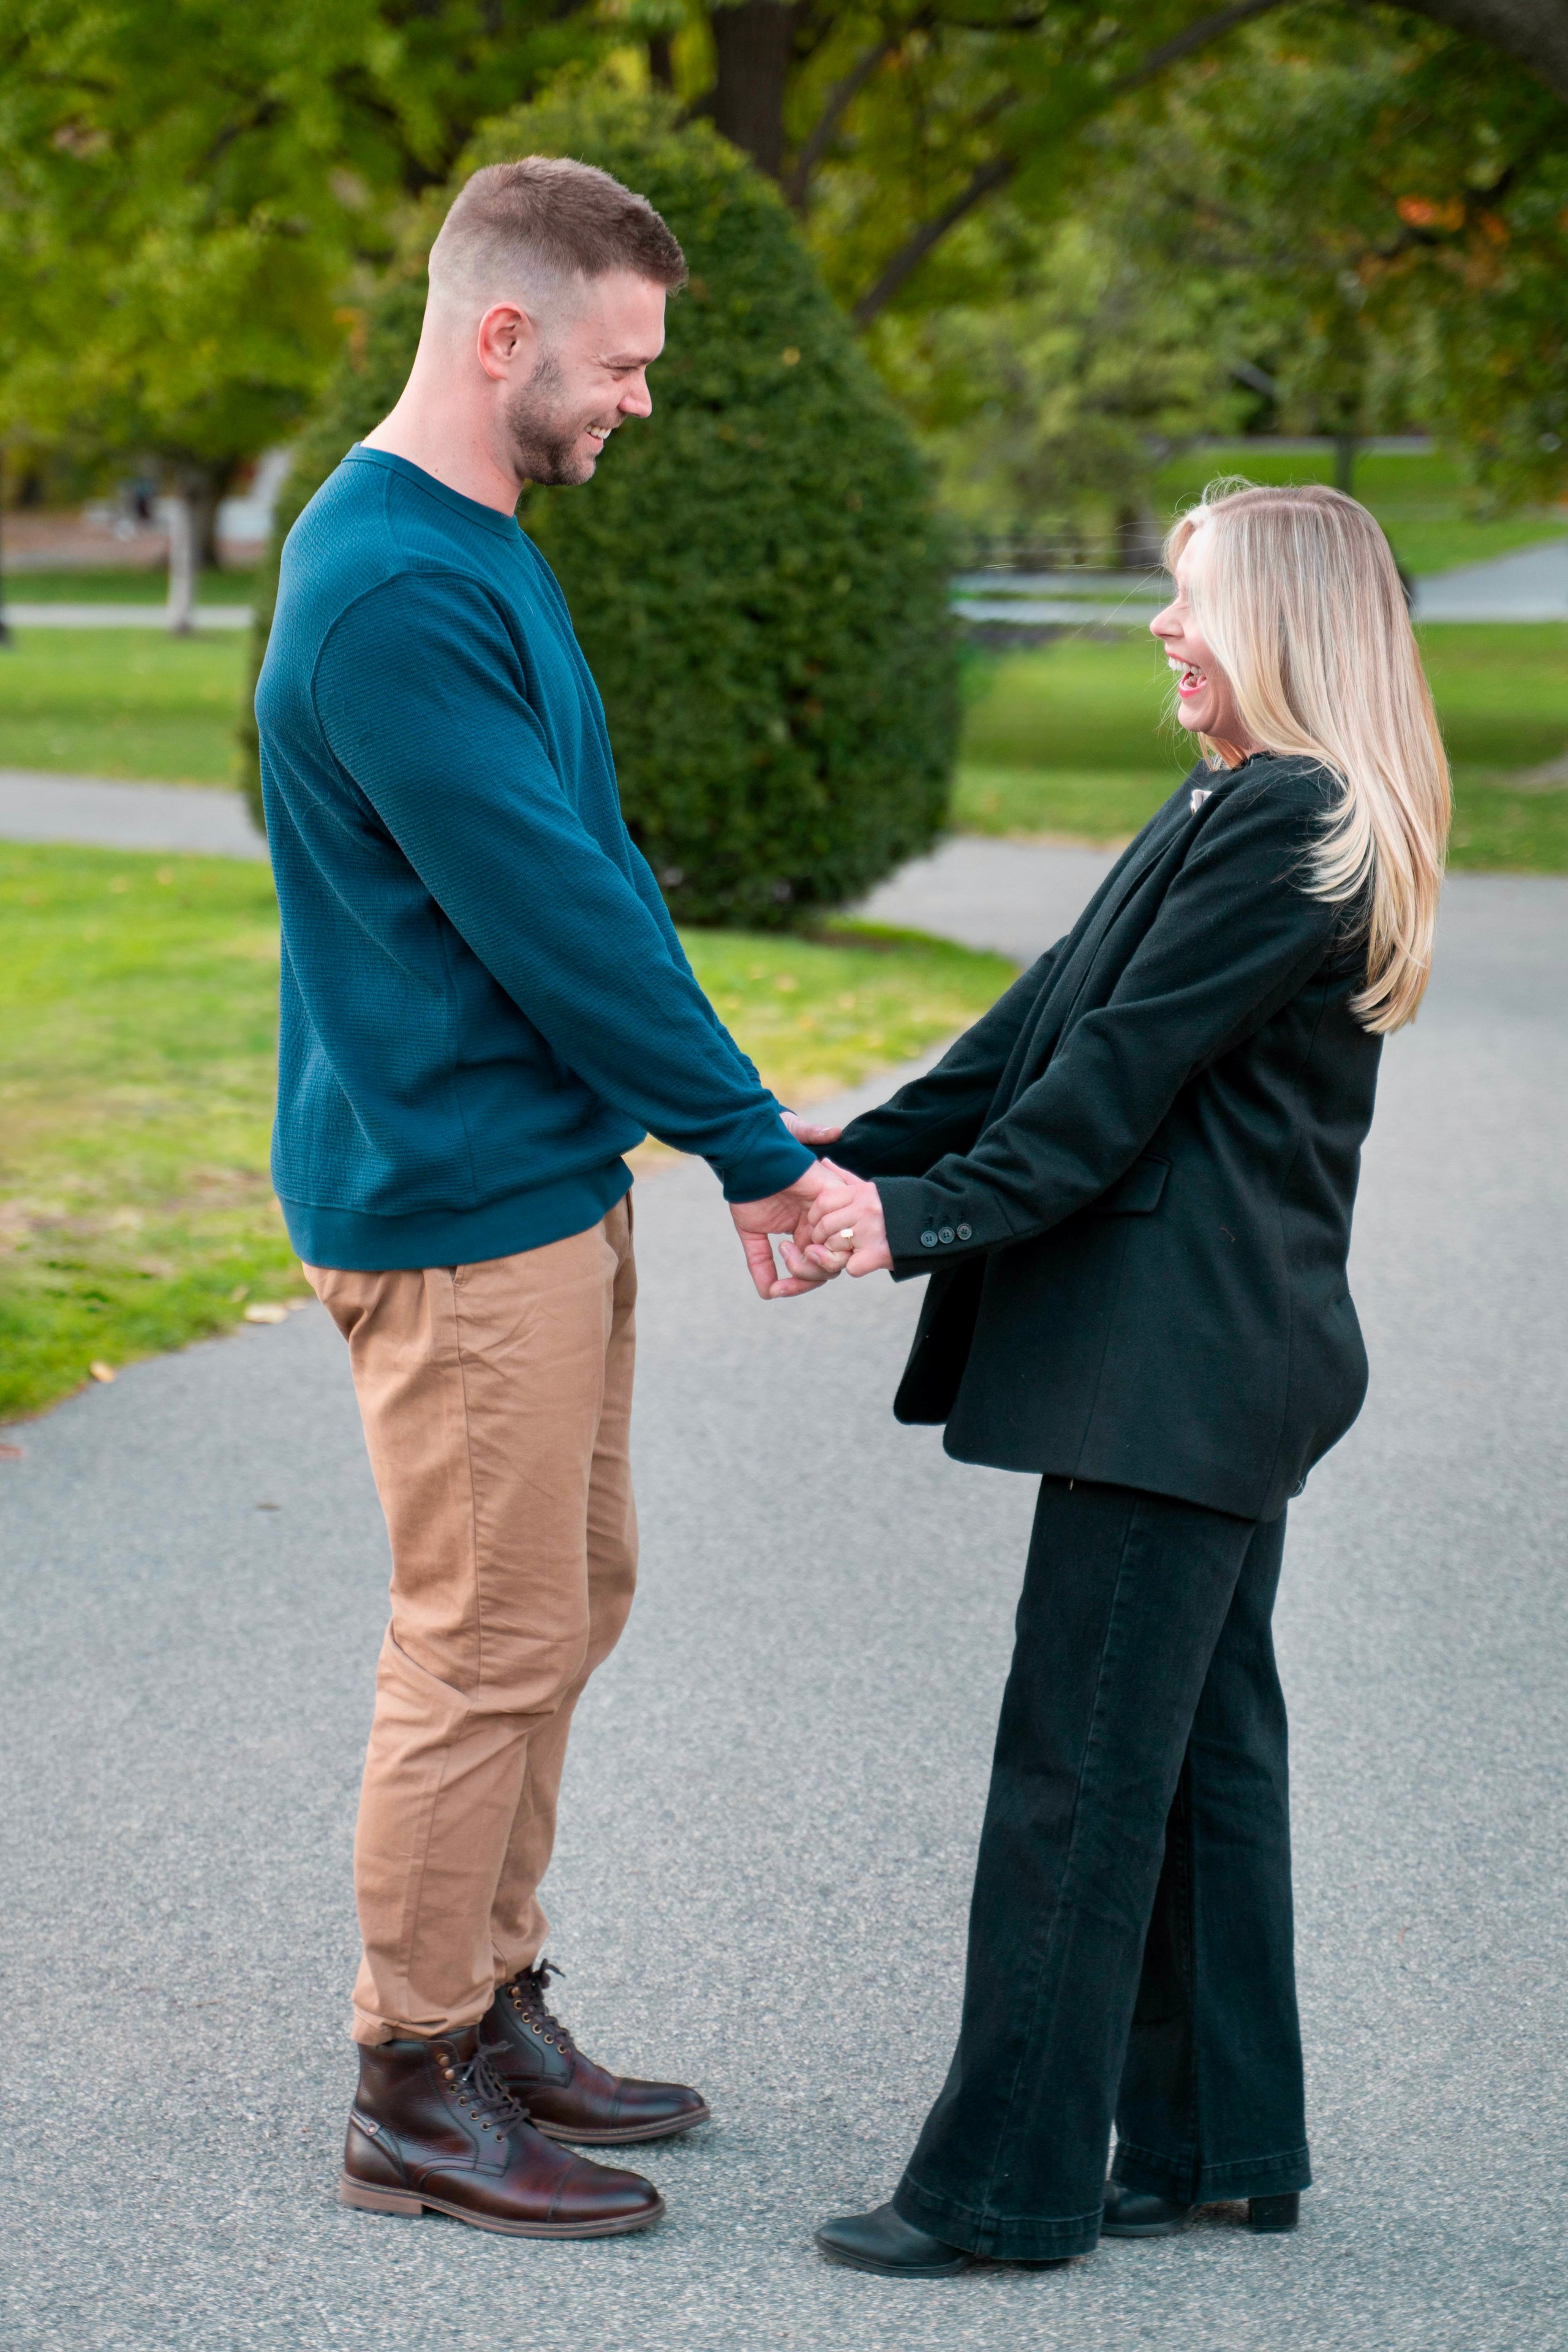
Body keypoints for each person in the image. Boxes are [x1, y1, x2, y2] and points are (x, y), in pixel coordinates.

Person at [771, 482, 1450, 2275]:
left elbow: (1111, 1082)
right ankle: (1224, 2141)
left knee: (1076, 1776)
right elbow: (1049, 1013)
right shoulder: (1244, 800)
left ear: (1288, 627)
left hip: (1182, 1368)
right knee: (1206, 1754)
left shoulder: (1292, 815)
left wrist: (908, 1222)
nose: (1167, 627)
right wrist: (856, 1143)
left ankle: (1005, 2190)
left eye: (1195, 600)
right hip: (1219, 1359)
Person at [254, 154, 829, 2240]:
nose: (641, 401)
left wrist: (712, 1123)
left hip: (541, 1176)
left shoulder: (471, 538)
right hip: (458, 1198)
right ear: (504, 336)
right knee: (482, 1640)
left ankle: (491, 2004)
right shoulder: (400, 583)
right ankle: (410, 2082)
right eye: (622, 360)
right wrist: (757, 1149)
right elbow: (554, 920)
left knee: (565, 1604)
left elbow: (589, 864)